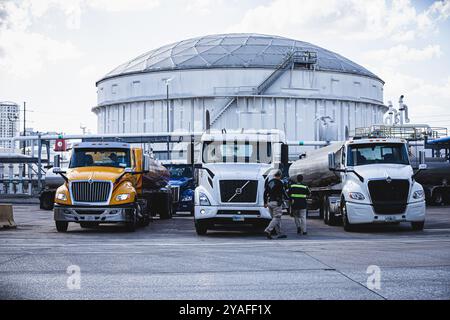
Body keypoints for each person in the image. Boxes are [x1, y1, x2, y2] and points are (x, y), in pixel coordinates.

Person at [264, 169, 288, 240]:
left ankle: (279, 233)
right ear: (280, 175)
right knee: (277, 217)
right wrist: (288, 199)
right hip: (276, 203)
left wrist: (265, 202)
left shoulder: (270, 182)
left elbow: (265, 193)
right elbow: (283, 192)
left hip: (270, 202)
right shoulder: (280, 183)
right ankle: (268, 230)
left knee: (275, 218)